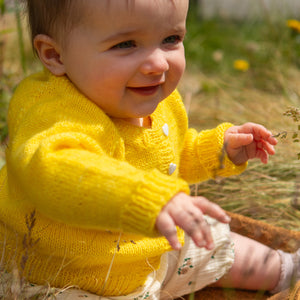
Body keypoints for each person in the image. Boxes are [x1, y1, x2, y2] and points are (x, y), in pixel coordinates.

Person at [0, 0, 298, 299]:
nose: (159, 63)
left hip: (150, 247)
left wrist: (219, 150)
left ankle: (286, 270)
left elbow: (170, 155)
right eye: (126, 44)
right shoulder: (54, 113)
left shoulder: (153, 98)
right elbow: (57, 171)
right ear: (55, 55)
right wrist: (147, 199)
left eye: (170, 39)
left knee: (211, 239)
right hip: (75, 276)